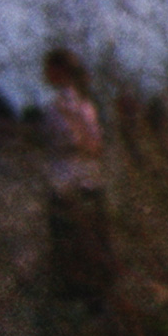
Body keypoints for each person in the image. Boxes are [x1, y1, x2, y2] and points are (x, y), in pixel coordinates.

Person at [42, 49, 119, 311]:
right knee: (85, 241)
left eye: (50, 68)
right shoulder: (82, 104)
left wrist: (68, 147)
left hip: (72, 182)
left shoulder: (68, 105)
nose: (45, 73)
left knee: (77, 241)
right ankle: (92, 297)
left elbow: (87, 144)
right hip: (81, 180)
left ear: (60, 71)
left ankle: (88, 297)